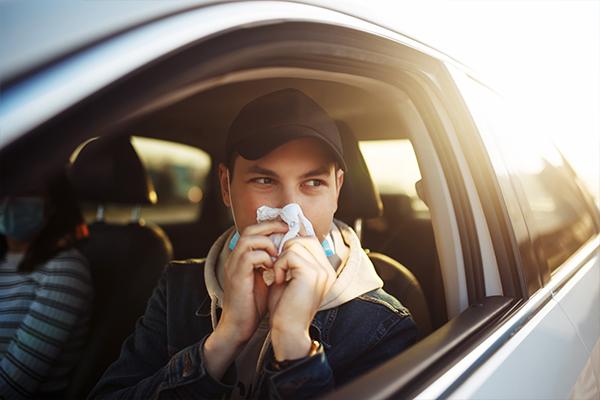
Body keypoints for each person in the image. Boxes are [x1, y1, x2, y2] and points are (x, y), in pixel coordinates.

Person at [90, 88, 417, 399]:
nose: (290, 209)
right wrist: (225, 338)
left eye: (313, 183)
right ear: (226, 187)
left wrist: (294, 345)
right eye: (264, 180)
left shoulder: (382, 324)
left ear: (337, 190)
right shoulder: (178, 287)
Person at [0, 171, 93, 399]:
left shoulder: (64, 269)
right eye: (7, 187)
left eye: (27, 191)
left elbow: (10, 388)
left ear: (52, 203)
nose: (11, 199)